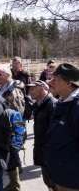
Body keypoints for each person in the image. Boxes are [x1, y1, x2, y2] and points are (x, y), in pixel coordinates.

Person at [45, 63, 79, 191]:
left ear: (69, 83)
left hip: (72, 181)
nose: (50, 82)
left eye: (55, 79)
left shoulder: (77, 107)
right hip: (60, 178)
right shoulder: (62, 102)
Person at [0, 67, 25, 191]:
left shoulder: (14, 90)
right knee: (10, 158)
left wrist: (14, 134)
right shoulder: (1, 89)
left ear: (8, 75)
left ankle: (16, 186)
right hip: (3, 128)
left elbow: (18, 113)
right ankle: (14, 184)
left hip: (10, 130)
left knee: (11, 157)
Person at [25, 80, 57, 190]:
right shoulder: (38, 105)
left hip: (51, 153)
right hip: (43, 150)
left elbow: (55, 132)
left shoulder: (52, 104)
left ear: (42, 89)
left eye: (32, 88)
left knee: (54, 182)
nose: (30, 91)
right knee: (48, 181)